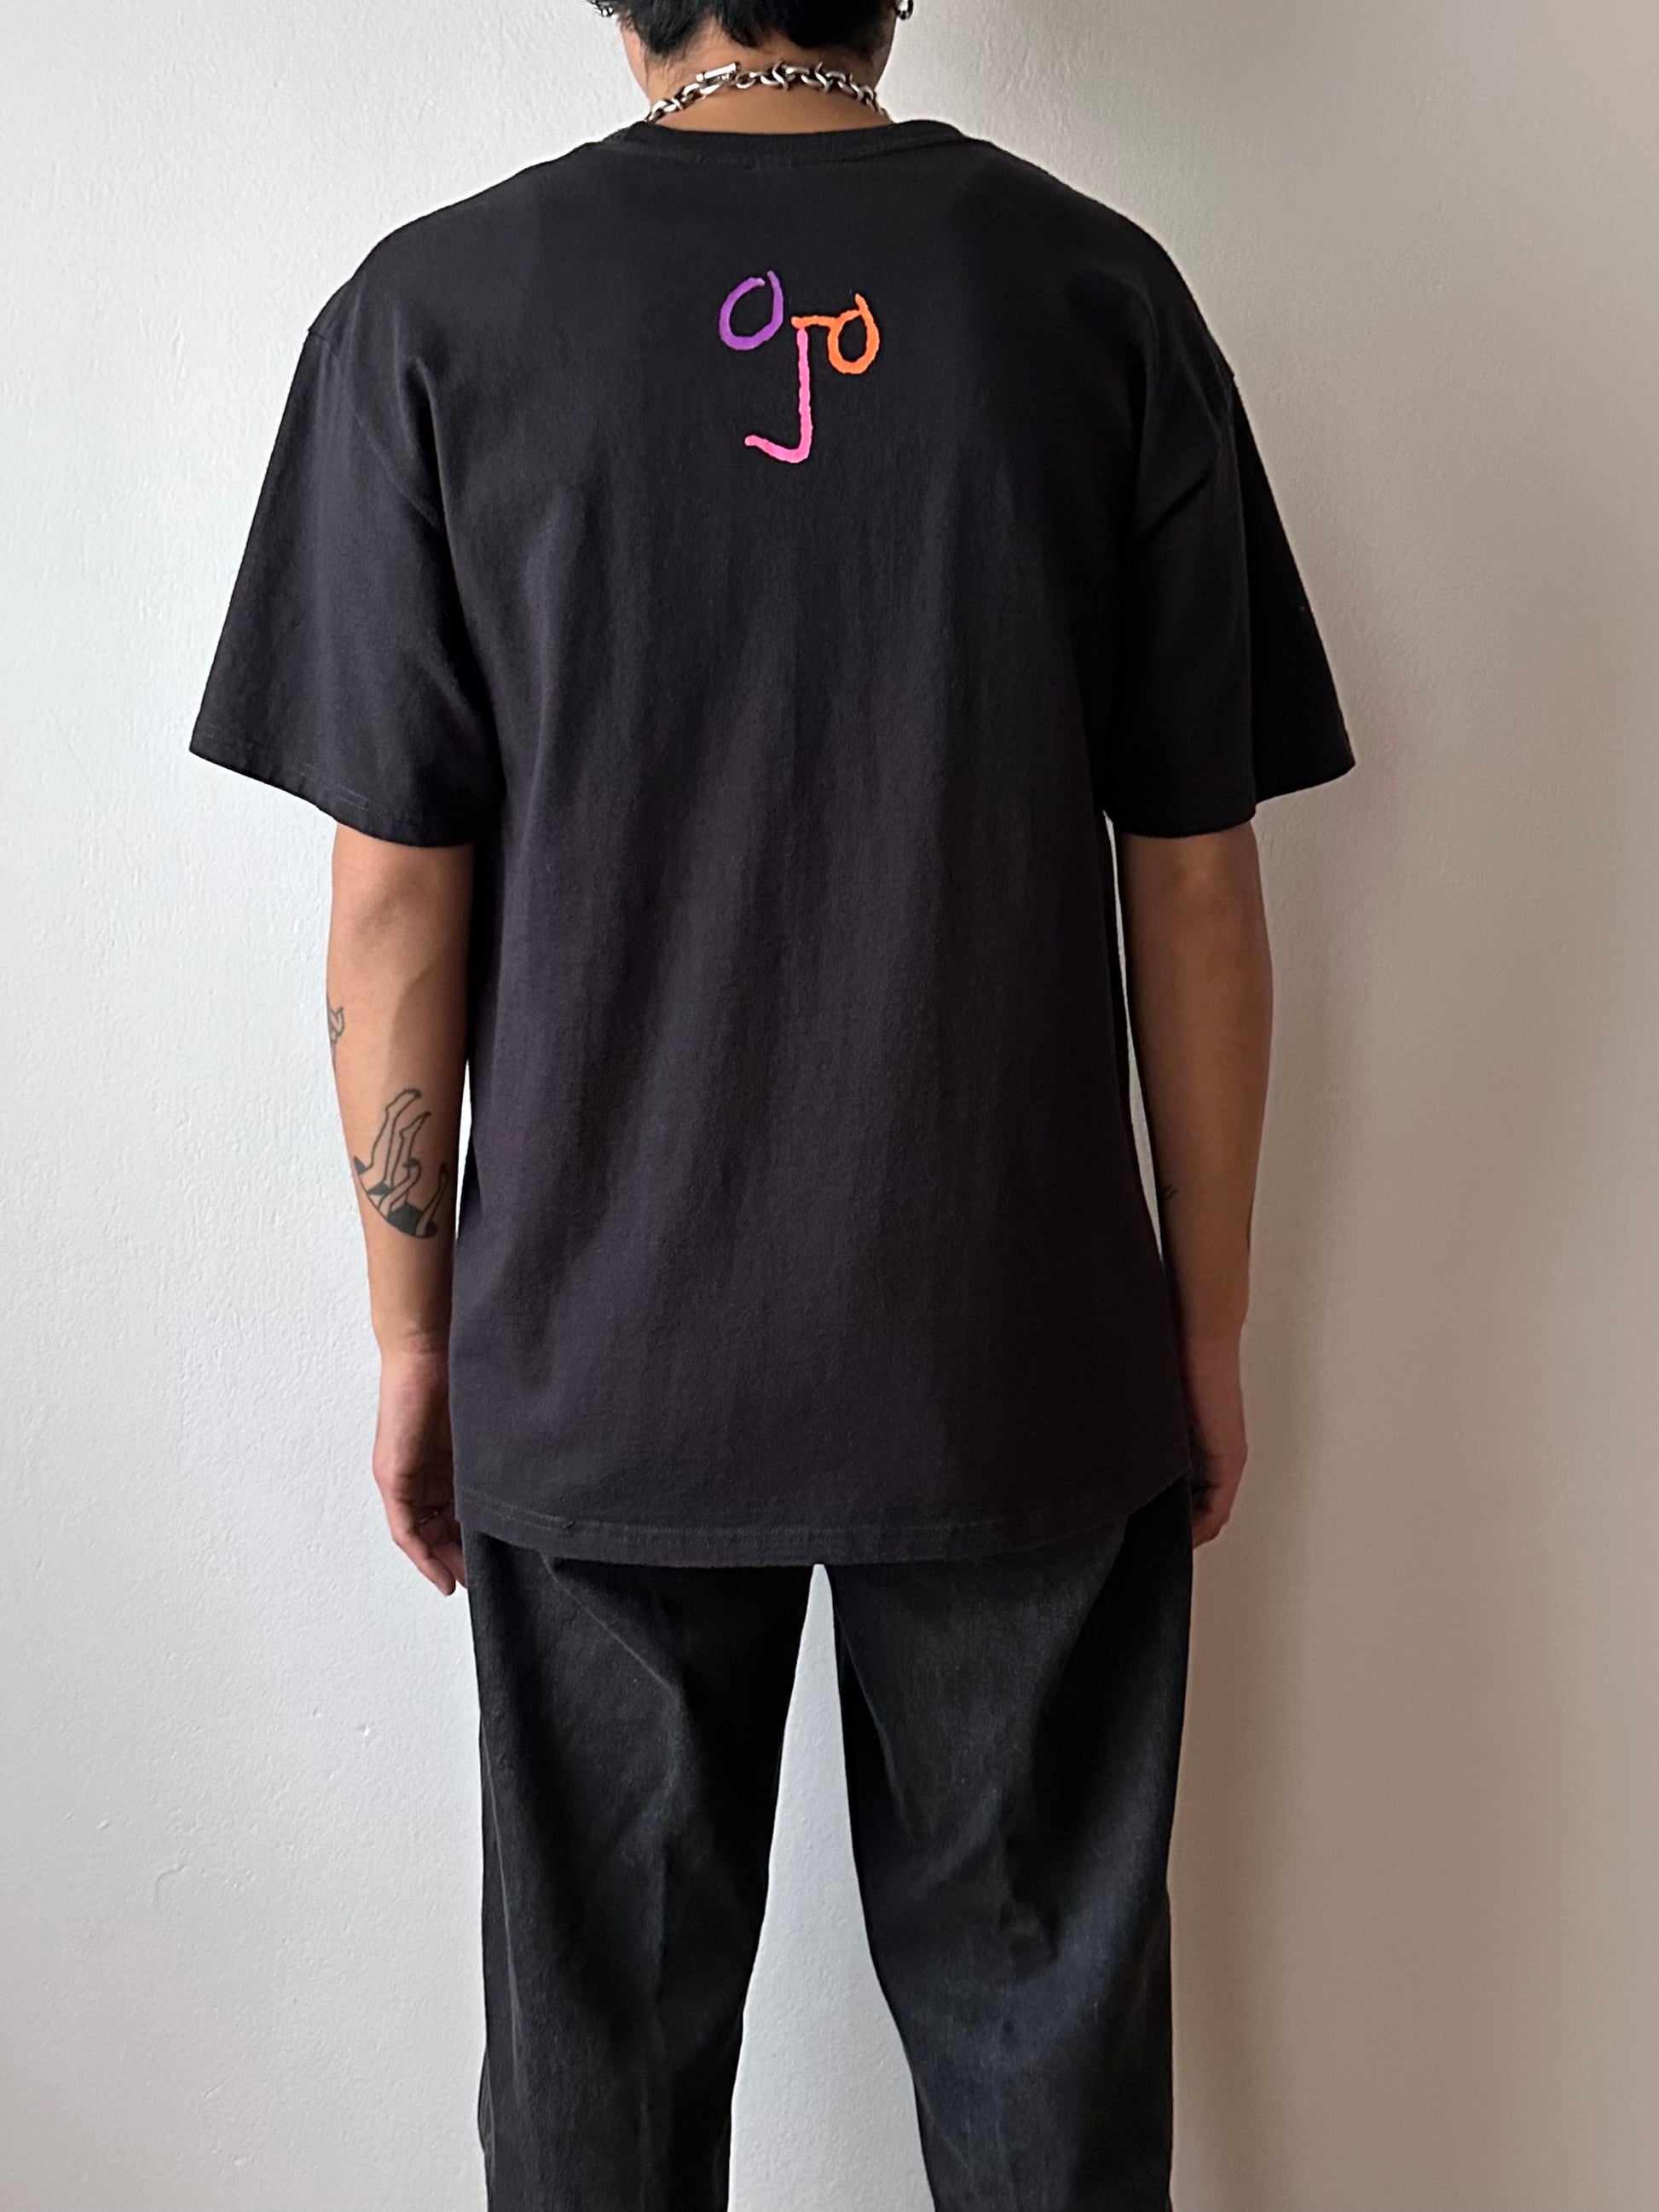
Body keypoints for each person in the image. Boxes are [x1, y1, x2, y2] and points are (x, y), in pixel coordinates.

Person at [188, 0, 1353, 2203]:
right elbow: (1194, 883)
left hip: (599, 1358)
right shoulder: (1093, 301)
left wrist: (413, 1334)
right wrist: (1201, 1319)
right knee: (1040, 2066)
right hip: (1014, 1353)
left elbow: (392, 907)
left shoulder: (434, 319)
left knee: (598, 2081)